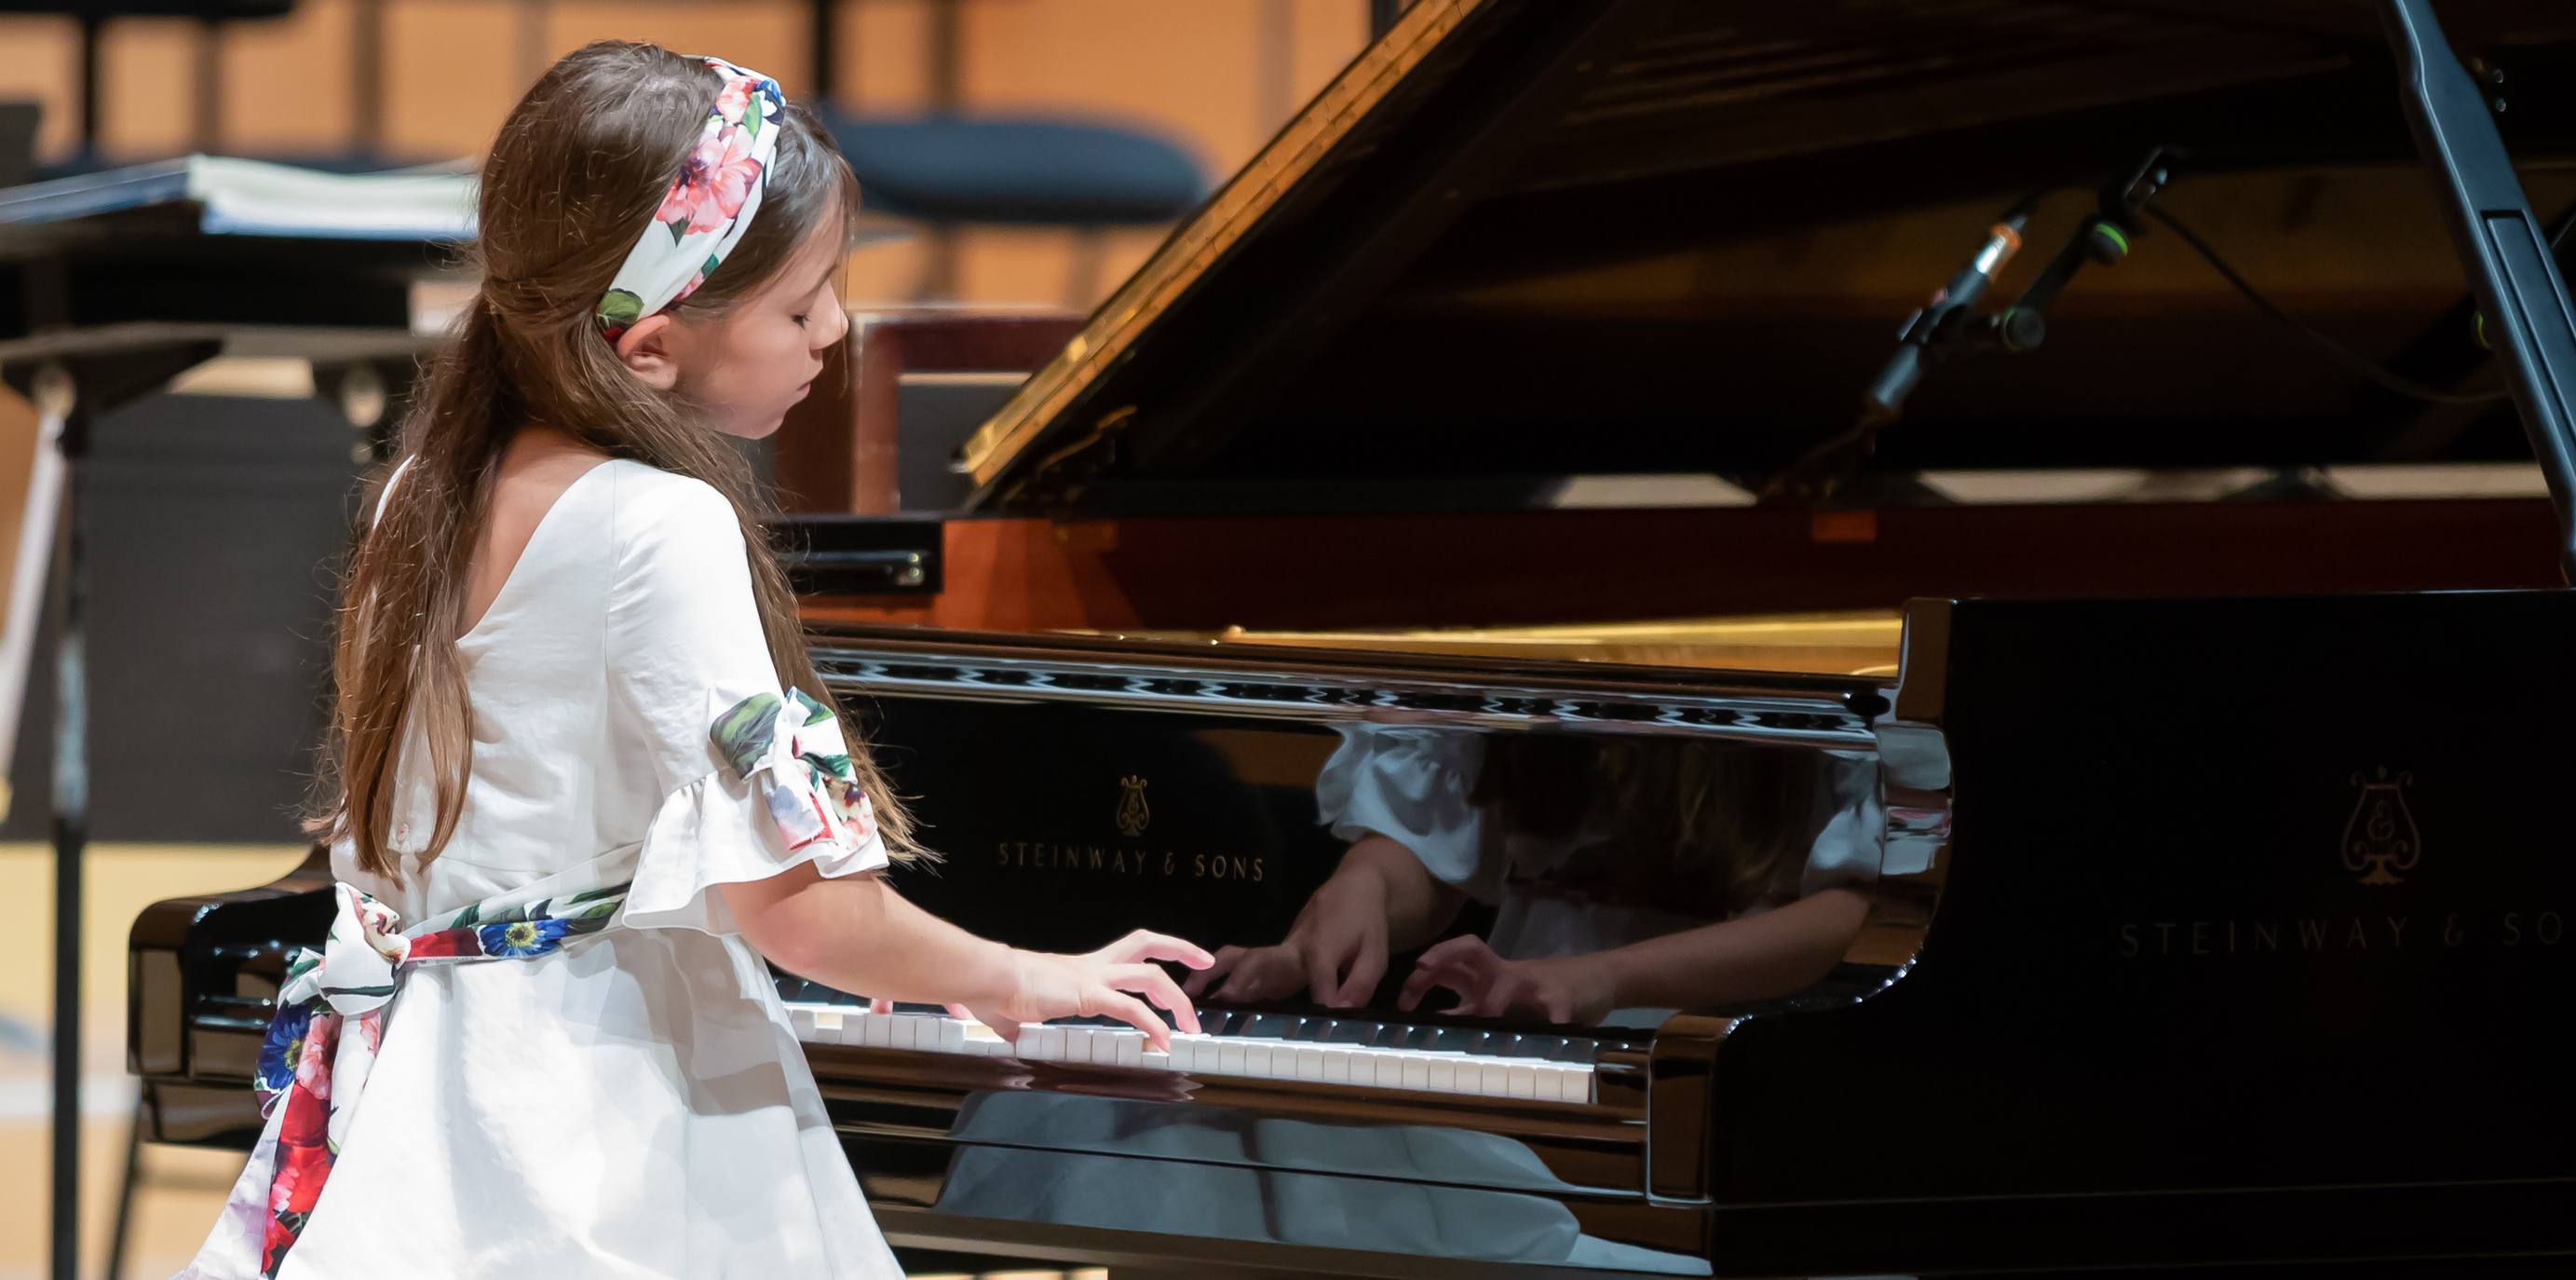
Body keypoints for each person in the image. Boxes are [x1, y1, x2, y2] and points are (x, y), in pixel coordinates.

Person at [176, 43, 1206, 1280]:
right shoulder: (658, 527)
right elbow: (799, 909)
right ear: (650, 347)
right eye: (798, 303)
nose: (838, 327)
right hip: (605, 1122)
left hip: (427, 1094)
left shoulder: (417, 492)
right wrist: (1019, 974)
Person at [1188, 724, 1899, 1025]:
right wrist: (1363, 885)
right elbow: (1433, 850)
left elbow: (1858, 911)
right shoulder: (1525, 606)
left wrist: (1600, 978)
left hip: (1743, 1039)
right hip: (1534, 1027)